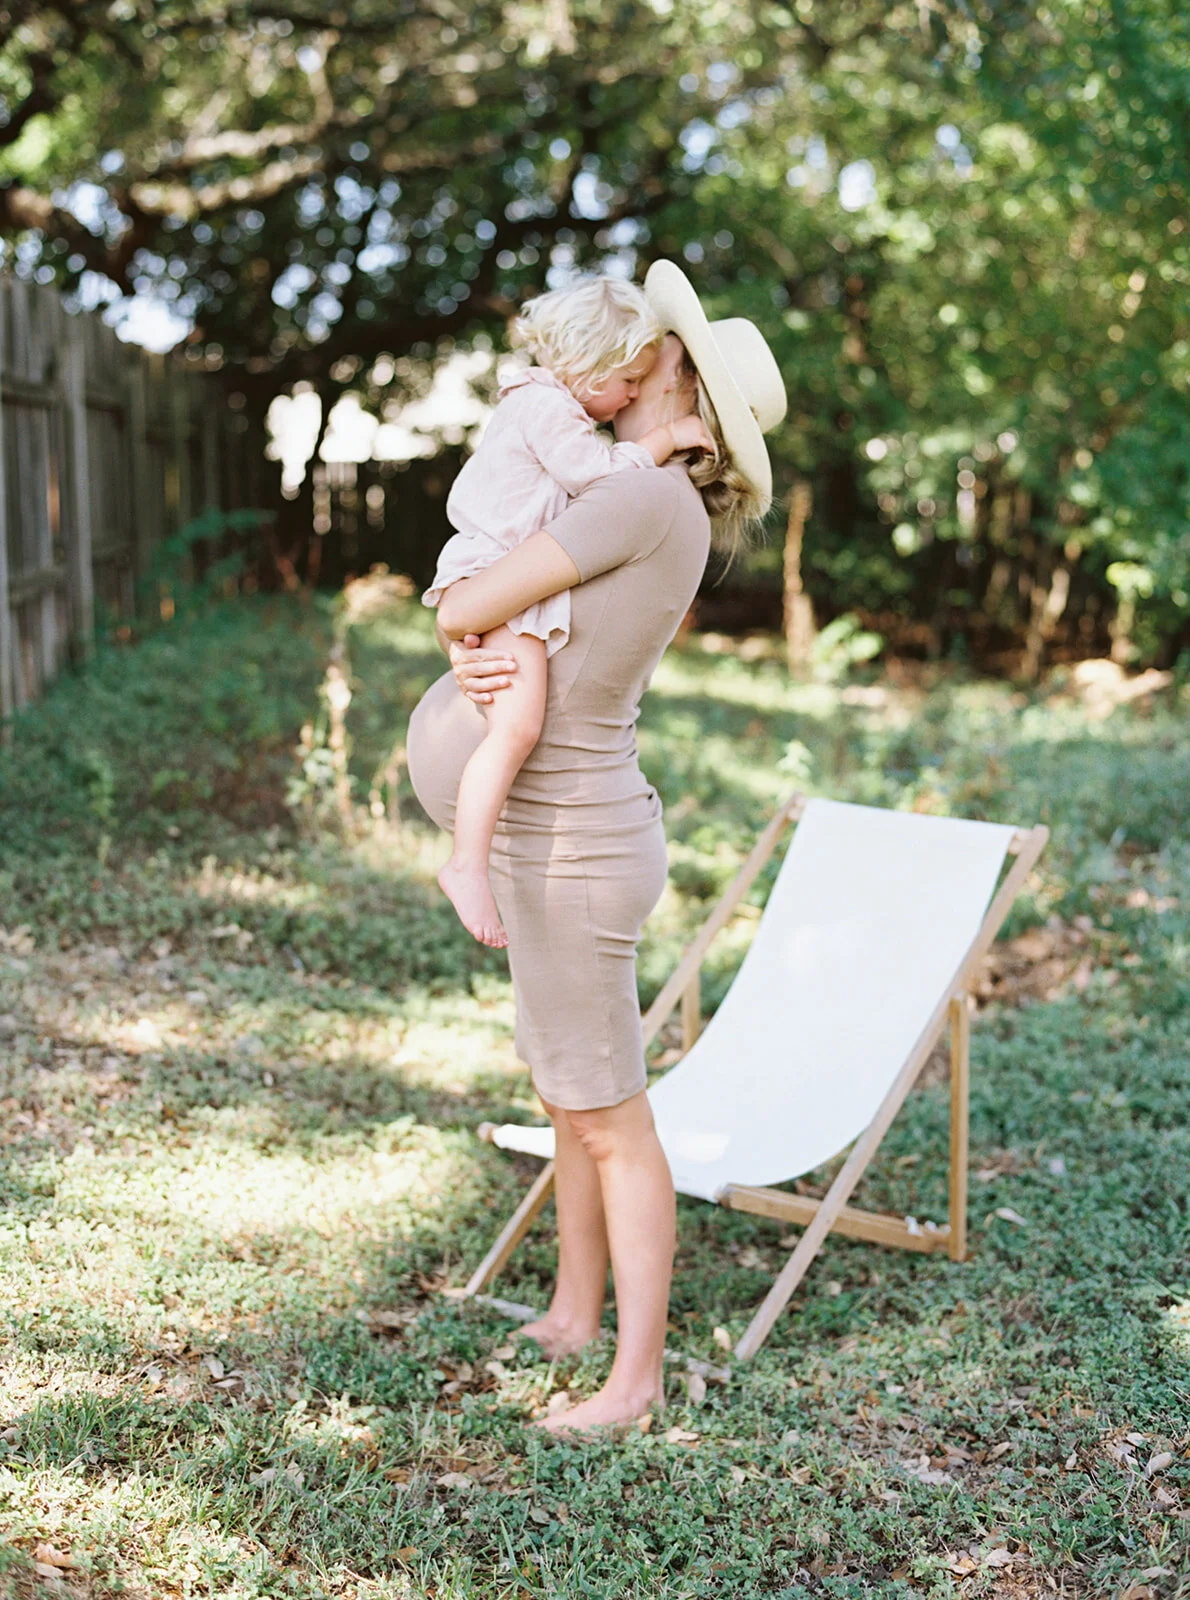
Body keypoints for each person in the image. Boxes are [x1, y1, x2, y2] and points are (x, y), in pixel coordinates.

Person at [407, 259, 786, 1436]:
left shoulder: (636, 498)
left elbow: (463, 603)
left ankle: (633, 1383)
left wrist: (465, 632)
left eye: (657, 351)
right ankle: (574, 1311)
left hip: (571, 849)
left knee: (612, 1118)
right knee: (569, 1097)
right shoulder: (647, 497)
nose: (636, 357)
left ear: (682, 386)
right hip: (555, 839)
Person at [421, 276, 713, 950]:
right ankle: (466, 864)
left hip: (491, 570)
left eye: (643, 383)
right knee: (516, 728)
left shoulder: (545, 407)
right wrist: (667, 438)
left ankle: (468, 861)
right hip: (488, 564)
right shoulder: (548, 411)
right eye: (628, 380)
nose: (632, 395)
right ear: (587, 368)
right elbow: (598, 478)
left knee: (516, 723)